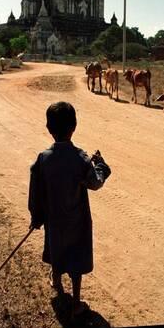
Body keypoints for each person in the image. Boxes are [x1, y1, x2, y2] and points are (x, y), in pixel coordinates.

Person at [28, 101, 111, 316]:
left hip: (54, 220)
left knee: (56, 249)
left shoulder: (43, 159)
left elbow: (35, 191)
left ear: (48, 128)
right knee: (76, 257)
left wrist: (36, 216)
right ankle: (76, 301)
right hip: (77, 222)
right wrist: (100, 165)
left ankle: (56, 280)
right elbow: (95, 183)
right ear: (74, 126)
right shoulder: (81, 158)